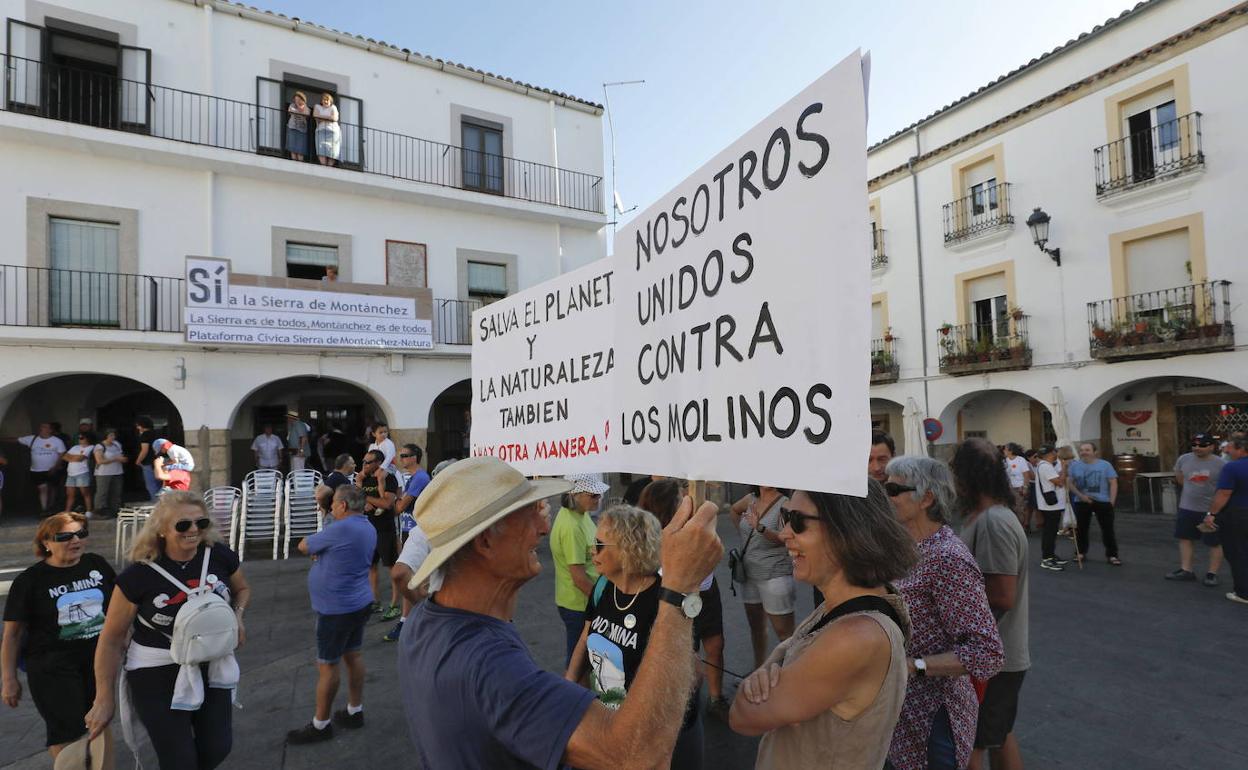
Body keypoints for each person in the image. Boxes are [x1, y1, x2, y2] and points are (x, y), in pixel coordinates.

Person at [398, 456, 723, 769]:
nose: (543, 526)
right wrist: (679, 588)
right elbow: (638, 758)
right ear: (485, 542)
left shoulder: (424, 621)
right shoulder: (488, 664)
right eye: (529, 513)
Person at [729, 482, 917, 769]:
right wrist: (776, 663)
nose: (785, 533)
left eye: (798, 522)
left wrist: (765, 672)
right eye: (785, 518)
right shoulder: (843, 606)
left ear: (847, 530)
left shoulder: (855, 636)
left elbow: (743, 716)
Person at [86, 491, 250, 769]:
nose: (194, 530)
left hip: (212, 662)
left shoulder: (220, 556)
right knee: (179, 760)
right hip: (156, 671)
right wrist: (103, 697)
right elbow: (112, 639)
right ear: (161, 530)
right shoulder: (138, 576)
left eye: (202, 523)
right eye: (183, 524)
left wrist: (238, 615)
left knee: (217, 748)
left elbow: (242, 589)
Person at [885, 456, 1004, 770]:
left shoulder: (947, 558)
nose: (887, 496)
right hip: (899, 709)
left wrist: (913, 666)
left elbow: (987, 652)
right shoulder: (903, 547)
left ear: (926, 498)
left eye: (894, 489)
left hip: (933, 715)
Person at [566, 505, 704, 767]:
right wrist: (569, 686)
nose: (592, 551)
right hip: (608, 724)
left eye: (600, 544)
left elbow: (693, 673)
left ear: (628, 548)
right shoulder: (604, 587)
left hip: (651, 736)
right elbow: (585, 638)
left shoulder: (664, 599)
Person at [3, 513, 115, 760]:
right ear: (46, 543)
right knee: (66, 731)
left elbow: (118, 608)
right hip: (52, 667)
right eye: (65, 536)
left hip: (97, 663)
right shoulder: (30, 581)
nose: (75, 540)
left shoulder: (96, 564)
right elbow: (12, 635)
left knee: (100, 721)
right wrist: (8, 678)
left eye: (80, 534)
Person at [952, 440, 1031, 770]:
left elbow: (1001, 595)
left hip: (992, 658)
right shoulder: (985, 517)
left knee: (971, 746)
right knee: (998, 734)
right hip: (999, 655)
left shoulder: (993, 522)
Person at [287, 485, 377, 744]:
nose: (332, 507)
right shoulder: (367, 526)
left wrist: (318, 548)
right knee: (353, 655)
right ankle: (354, 710)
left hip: (337, 608)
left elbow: (304, 545)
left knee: (328, 665)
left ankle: (321, 724)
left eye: (334, 504)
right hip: (358, 601)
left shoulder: (340, 528)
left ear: (343, 506)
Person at [638, 478, 729, 720]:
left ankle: (716, 698)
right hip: (676, 594)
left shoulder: (696, 522)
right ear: (668, 506)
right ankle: (680, 707)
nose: (687, 499)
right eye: (681, 497)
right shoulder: (657, 535)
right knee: (685, 655)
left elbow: (710, 515)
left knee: (716, 645)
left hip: (706, 592)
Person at [730, 485, 795, 669]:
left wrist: (759, 528)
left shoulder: (785, 503)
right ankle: (758, 670)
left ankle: (789, 674)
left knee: (785, 633)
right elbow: (734, 510)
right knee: (756, 628)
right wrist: (744, 533)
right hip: (749, 574)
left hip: (774, 574)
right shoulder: (751, 499)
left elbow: (785, 537)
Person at [551, 474, 609, 664]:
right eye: (593, 495)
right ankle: (573, 692)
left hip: (581, 600)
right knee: (578, 660)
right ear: (576, 495)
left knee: (583, 659)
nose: (598, 499)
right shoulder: (571, 526)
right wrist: (602, 603)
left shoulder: (579, 515)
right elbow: (578, 577)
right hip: (578, 604)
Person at [380, 445, 432, 635]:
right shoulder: (415, 478)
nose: (401, 459)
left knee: (410, 575)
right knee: (412, 576)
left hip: (418, 530)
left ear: (415, 458)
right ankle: (406, 620)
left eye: (404, 456)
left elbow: (399, 507)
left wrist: (389, 498)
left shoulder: (420, 478)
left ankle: (409, 621)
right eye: (400, 456)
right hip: (411, 529)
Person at [1169, 433, 1227, 586]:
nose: (1197, 448)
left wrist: (1214, 509)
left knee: (1214, 542)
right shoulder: (1183, 459)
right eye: (1194, 445)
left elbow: (1224, 488)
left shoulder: (1221, 464)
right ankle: (1186, 570)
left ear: (1212, 447)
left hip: (1210, 510)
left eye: (1202, 445)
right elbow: (1180, 477)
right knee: (1185, 538)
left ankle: (1212, 573)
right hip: (1187, 507)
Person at [356, 449, 399, 613]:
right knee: (371, 566)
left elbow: (387, 504)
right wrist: (361, 496)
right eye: (363, 462)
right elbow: (353, 503)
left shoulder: (388, 478)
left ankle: (395, 604)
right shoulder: (362, 479)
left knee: (391, 567)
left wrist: (364, 498)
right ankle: (375, 601)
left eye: (368, 462)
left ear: (377, 463)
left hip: (384, 529)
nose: (364, 465)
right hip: (366, 529)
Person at [1207, 436, 1248, 604]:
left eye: (1229, 447)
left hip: (1237, 515)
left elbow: (1224, 493)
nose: (1226, 450)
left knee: (1237, 553)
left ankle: (1244, 593)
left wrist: (1212, 513)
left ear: (1241, 449)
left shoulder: (1232, 468)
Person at [1067, 442, 1121, 565]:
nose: (1084, 452)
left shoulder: (1105, 465)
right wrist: (1081, 496)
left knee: (1108, 529)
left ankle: (1112, 555)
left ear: (1095, 452)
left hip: (1103, 501)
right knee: (1081, 529)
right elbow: (1069, 483)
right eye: (1081, 450)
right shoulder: (1075, 466)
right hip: (1082, 501)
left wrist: (1111, 501)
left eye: (1087, 450)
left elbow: (1113, 482)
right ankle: (1080, 552)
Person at [16, 423, 66, 513]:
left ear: (50, 430)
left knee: (52, 488)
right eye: (41, 426)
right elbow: (17, 440)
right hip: (36, 470)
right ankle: (44, 509)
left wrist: (55, 467)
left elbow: (61, 455)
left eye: (44, 427)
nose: (41, 428)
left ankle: (51, 506)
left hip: (52, 469)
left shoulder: (57, 441)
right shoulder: (32, 438)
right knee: (43, 488)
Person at [1034, 445, 1069, 571]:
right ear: (1050, 453)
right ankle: (1047, 558)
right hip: (1051, 505)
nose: (1056, 454)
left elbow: (1054, 478)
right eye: (1055, 452)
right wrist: (1064, 468)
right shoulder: (1046, 466)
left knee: (1051, 532)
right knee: (1050, 532)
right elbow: (1059, 482)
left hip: (1049, 504)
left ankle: (1050, 555)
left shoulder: (1044, 465)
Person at [92, 429, 127, 520]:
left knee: (116, 492)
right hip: (103, 473)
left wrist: (123, 459)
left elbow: (121, 455)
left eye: (114, 435)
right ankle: (99, 511)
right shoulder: (99, 446)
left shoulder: (117, 444)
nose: (113, 437)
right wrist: (115, 459)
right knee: (102, 492)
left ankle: (115, 510)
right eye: (110, 435)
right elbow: (99, 460)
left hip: (117, 471)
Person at [62, 432, 97, 518]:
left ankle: (89, 511)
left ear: (88, 439)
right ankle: (67, 511)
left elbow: (81, 458)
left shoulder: (91, 447)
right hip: (71, 473)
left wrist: (72, 457)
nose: (79, 439)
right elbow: (64, 457)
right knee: (70, 494)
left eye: (82, 438)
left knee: (85, 492)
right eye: (79, 438)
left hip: (82, 473)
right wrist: (75, 457)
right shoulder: (75, 447)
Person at [1003, 443, 1032, 529]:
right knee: (1010, 507)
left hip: (1020, 487)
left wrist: (1025, 487)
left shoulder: (1020, 460)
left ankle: (1021, 526)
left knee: (1019, 508)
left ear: (1010, 451)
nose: (1004, 451)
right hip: (1009, 487)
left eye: (1005, 449)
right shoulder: (1005, 461)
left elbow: (1026, 475)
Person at [134, 417, 160, 501]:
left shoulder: (145, 435)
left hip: (148, 462)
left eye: (138, 426)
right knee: (159, 484)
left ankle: (155, 504)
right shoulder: (156, 433)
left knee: (151, 485)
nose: (137, 428)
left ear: (142, 426)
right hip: (158, 461)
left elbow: (144, 450)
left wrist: (138, 461)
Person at [313, 93, 340, 166]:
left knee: (332, 150)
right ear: (321, 101)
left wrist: (321, 117)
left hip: (332, 131)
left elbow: (334, 118)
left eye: (327, 100)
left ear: (330, 101)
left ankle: (329, 168)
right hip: (320, 131)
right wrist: (328, 118)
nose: (326, 101)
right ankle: (324, 166)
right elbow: (315, 116)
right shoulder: (317, 106)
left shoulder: (333, 107)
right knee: (320, 149)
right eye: (324, 100)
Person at [286, 90, 310, 161]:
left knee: (300, 150)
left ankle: (300, 163)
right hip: (292, 128)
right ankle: (294, 162)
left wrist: (300, 108)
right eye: (295, 99)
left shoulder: (306, 108)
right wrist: (299, 111)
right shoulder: (292, 105)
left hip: (301, 130)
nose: (297, 101)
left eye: (299, 99)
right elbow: (291, 111)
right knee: (292, 148)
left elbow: (306, 114)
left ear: (303, 99)